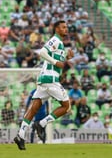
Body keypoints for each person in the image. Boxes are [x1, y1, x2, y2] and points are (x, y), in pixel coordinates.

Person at [13, 20, 74, 150]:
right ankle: (41, 124)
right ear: (56, 29)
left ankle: (20, 135)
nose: (66, 29)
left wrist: (66, 58)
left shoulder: (60, 44)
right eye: (63, 27)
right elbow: (42, 52)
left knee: (33, 109)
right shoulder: (55, 40)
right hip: (50, 78)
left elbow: (58, 62)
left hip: (43, 79)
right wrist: (55, 62)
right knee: (66, 106)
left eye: (66, 27)